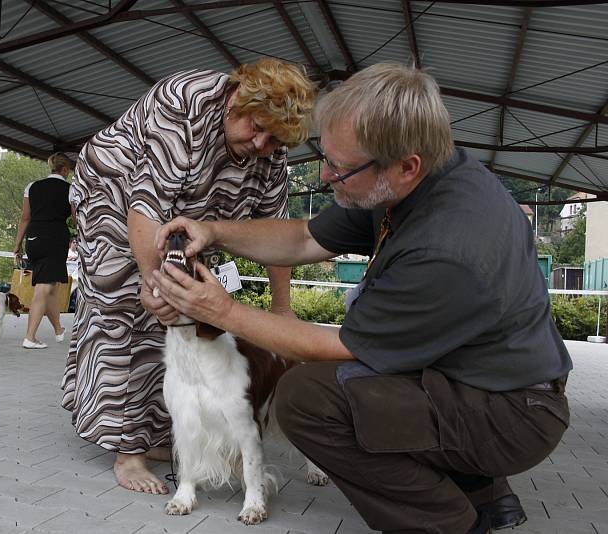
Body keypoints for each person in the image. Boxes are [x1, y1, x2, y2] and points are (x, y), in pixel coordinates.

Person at [152, 63, 572, 533]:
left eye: (341, 168)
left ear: (407, 165)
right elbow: (303, 239)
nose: (327, 176)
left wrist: (222, 311)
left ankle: (444, 520)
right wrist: (213, 231)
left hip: (512, 414)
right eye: (327, 159)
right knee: (356, 383)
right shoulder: (411, 178)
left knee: (307, 397)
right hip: (476, 382)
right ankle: (484, 493)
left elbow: (340, 348)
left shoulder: (448, 246)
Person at [62, 57, 315, 495]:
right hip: (115, 191)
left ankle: (163, 433)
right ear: (236, 100)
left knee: (186, 314)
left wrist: (282, 310)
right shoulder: (184, 104)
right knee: (131, 307)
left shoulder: (271, 150)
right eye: (256, 128)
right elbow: (145, 205)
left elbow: (275, 232)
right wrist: (150, 282)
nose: (261, 144)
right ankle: (128, 451)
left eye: (274, 139)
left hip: (194, 212)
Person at [14, 152, 73, 349]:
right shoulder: (70, 189)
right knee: (44, 287)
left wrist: (17, 244)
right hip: (54, 238)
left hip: (33, 238)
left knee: (51, 287)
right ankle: (30, 337)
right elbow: (76, 217)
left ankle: (58, 330)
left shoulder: (32, 186)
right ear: (64, 169)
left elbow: (25, 217)